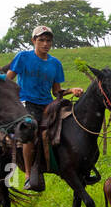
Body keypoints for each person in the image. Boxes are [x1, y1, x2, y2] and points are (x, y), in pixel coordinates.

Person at [8, 25, 67, 191]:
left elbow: (56, 90)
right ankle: (28, 174)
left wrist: (70, 91)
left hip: (47, 104)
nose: (45, 44)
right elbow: (8, 79)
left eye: (48, 40)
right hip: (26, 101)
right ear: (33, 41)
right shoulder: (23, 57)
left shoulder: (55, 63)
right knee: (30, 128)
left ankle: (72, 166)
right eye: (41, 40)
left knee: (68, 123)